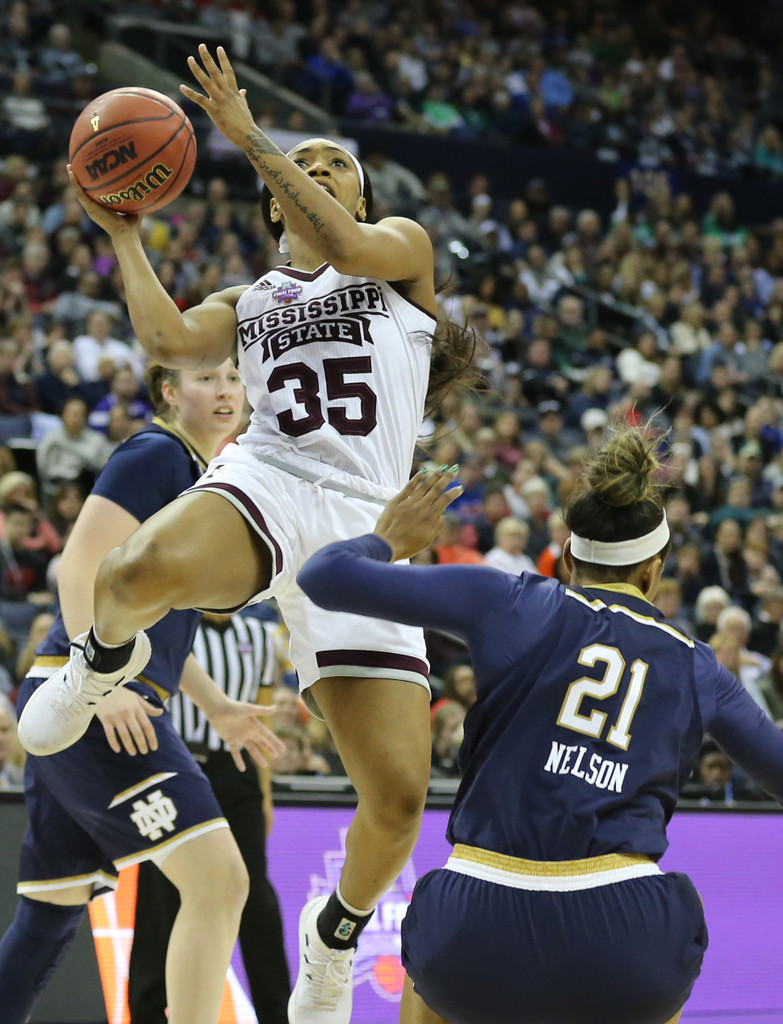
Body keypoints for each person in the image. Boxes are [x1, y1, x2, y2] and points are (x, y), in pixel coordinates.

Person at [18, 44, 477, 1024]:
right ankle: (95, 668)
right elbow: (171, 343)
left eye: (335, 170)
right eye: (301, 172)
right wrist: (129, 236)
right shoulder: (251, 301)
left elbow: (350, 248)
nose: (316, 178)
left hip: (362, 521)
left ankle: (335, 937)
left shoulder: (397, 254)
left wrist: (250, 136)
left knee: (397, 799)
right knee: (134, 569)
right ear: (272, 208)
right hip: (271, 478)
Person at [296, 428, 783, 1024]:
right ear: (655, 571)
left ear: (570, 558)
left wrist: (386, 539)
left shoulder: (512, 600)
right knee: (668, 924)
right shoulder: (698, 665)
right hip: (622, 941)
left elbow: (322, 577)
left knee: (434, 944)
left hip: (479, 920)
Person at [0, 359, 284, 1024]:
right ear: (165, 391)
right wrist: (100, 677)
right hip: (85, 696)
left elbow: (155, 614)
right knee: (220, 882)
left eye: (233, 379)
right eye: (206, 378)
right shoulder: (157, 454)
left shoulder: (209, 475)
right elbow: (77, 565)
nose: (224, 391)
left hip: (83, 694)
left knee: (50, 912)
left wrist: (214, 704)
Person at [128, 609, 291, 1024]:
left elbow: (259, 720)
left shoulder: (260, 634)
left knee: (253, 892)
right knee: (161, 891)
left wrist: (265, 795)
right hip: (176, 764)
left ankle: (278, 1012)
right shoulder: (175, 626)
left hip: (237, 772)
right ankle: (147, 1010)